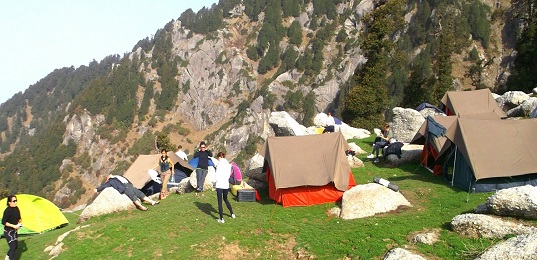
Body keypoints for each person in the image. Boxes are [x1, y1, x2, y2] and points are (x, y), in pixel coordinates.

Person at [94, 175, 159, 211]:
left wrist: (131, 184)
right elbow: (104, 186)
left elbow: (126, 179)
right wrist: (97, 189)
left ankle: (152, 202)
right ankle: (142, 207)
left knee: (140, 193)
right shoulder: (111, 180)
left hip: (129, 185)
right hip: (125, 187)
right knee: (133, 196)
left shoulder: (117, 177)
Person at [214, 152, 235, 223]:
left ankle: (221, 219)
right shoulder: (228, 165)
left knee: (220, 202)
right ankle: (232, 213)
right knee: (225, 199)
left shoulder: (219, 165)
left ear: (219, 157)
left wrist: (214, 184)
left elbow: (216, 176)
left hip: (219, 185)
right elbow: (229, 176)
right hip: (226, 185)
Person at [2, 195, 22, 260]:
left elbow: (19, 218)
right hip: (8, 232)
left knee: (15, 246)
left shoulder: (16, 208)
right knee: (13, 247)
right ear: (9, 202)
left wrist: (19, 223)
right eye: (14, 201)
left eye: (16, 201)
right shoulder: (7, 211)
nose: (15, 202)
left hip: (14, 231)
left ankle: (7, 256)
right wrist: (13, 226)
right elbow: (4, 222)